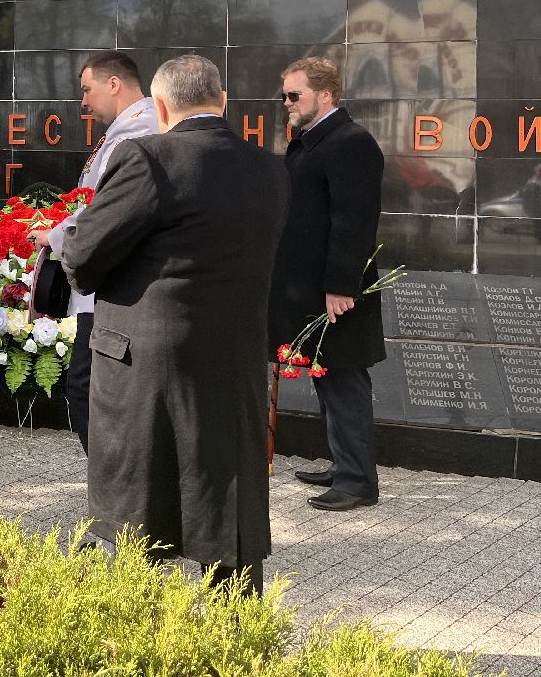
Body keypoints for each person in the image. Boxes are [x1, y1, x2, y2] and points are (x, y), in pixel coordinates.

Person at [61, 55, 288, 595]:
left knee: (140, 518)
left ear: (159, 106)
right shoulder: (270, 168)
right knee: (226, 512)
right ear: (223, 101)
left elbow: (84, 257)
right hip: (234, 363)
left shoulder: (148, 157)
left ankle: (144, 637)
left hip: (146, 369)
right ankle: (237, 641)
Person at [270, 56, 386, 512]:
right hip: (313, 288)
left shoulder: (350, 143)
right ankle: (344, 465)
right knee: (330, 378)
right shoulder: (316, 142)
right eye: (284, 96)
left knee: (344, 378)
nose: (286, 104)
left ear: (327, 95)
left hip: (336, 291)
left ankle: (358, 481)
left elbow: (354, 224)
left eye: (294, 95)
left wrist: (341, 286)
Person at [27, 50, 155, 453]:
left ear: (113, 84)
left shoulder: (138, 132)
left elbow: (109, 207)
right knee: (89, 386)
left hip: (114, 285)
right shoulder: (126, 129)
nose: (82, 101)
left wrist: (56, 236)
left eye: (87, 89)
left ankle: (116, 486)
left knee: (88, 388)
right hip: (104, 281)